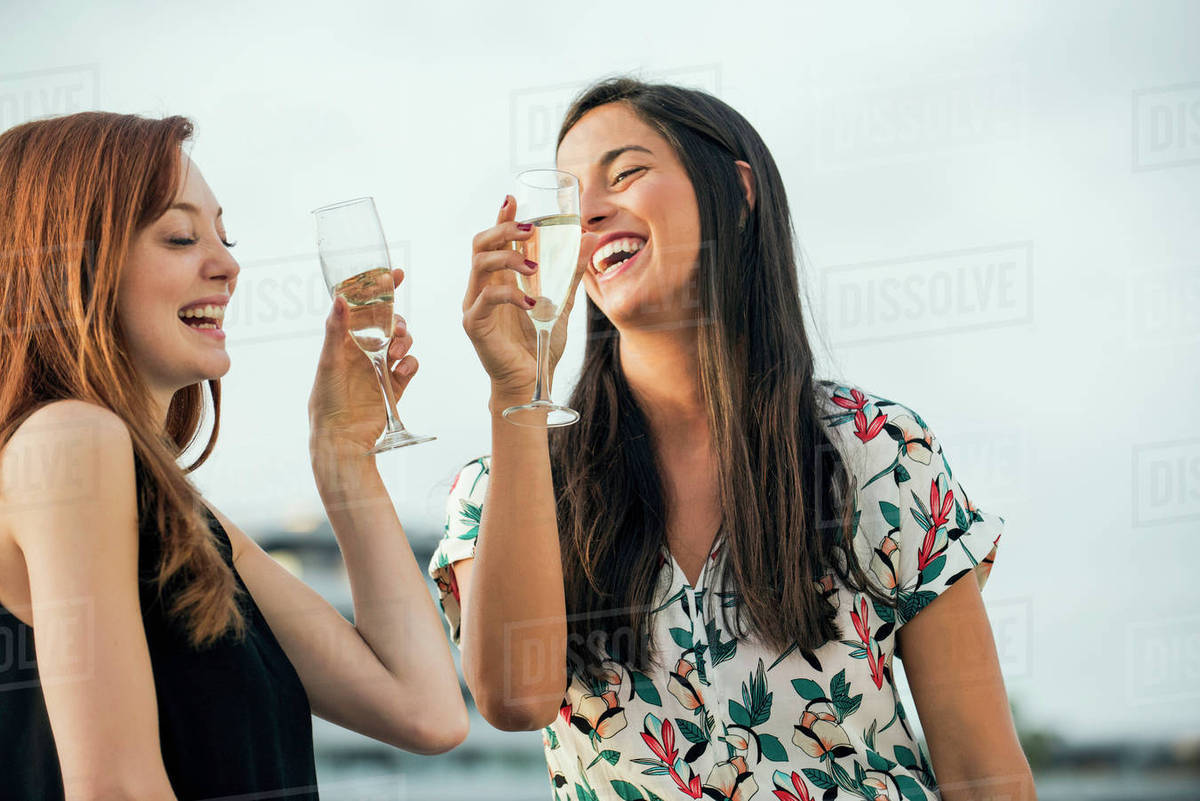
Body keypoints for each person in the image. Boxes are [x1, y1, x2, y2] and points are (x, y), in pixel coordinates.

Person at [431, 78, 1035, 800]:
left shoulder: (879, 452)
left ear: (738, 193)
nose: (587, 212)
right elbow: (514, 700)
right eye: (569, 197)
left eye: (625, 174)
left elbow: (985, 773)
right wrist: (515, 393)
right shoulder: (504, 482)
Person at [0, 112, 468, 800]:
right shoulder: (72, 438)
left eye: (225, 235)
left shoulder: (178, 513)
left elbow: (426, 709)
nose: (227, 265)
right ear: (72, 262)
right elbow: (117, 788)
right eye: (181, 236)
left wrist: (343, 456)